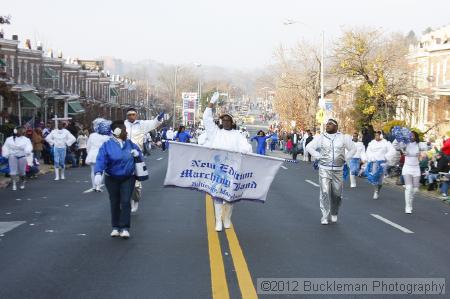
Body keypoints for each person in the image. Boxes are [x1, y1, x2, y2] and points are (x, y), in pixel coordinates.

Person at [203, 92, 252, 232]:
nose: (225, 122)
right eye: (223, 120)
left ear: (232, 122)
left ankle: (227, 218)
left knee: (230, 195)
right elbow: (206, 119)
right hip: (218, 169)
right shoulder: (215, 133)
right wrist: (211, 103)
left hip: (233, 168)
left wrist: (246, 150)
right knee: (217, 194)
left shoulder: (238, 135)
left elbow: (246, 146)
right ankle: (218, 220)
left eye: (228, 120)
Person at [94, 120, 143, 239]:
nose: (125, 131)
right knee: (115, 202)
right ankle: (116, 227)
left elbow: (140, 156)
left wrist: (138, 154)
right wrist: (98, 173)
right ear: (116, 131)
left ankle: (125, 228)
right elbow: (101, 159)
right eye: (123, 129)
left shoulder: (130, 144)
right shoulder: (107, 145)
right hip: (112, 178)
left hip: (128, 177)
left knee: (126, 201)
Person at [306, 119, 356, 225]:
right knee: (324, 192)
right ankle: (324, 216)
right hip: (324, 169)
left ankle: (334, 212)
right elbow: (309, 147)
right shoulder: (321, 137)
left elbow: (353, 149)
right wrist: (319, 156)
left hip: (338, 170)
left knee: (337, 194)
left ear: (336, 127)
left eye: (330, 124)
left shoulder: (343, 137)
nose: (327, 126)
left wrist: (346, 158)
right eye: (327, 124)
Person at [124, 108, 164, 212]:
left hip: (137, 157)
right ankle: (129, 201)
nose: (131, 116)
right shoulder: (123, 125)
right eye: (129, 115)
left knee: (137, 182)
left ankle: (136, 201)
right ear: (127, 116)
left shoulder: (142, 124)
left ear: (136, 115)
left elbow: (153, 124)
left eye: (133, 114)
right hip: (124, 156)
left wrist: (158, 119)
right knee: (124, 180)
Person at [393, 131, 431, 213]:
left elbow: (428, 147)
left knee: (416, 189)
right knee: (409, 188)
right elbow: (395, 146)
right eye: (409, 135)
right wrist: (398, 138)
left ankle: (410, 202)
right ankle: (407, 207)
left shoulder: (419, 144)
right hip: (407, 167)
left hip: (416, 168)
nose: (411, 137)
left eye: (412, 135)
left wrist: (429, 143)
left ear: (416, 136)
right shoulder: (404, 143)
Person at [364, 131, 396, 199]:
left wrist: (386, 157)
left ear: (381, 136)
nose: (376, 137)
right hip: (374, 162)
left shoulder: (386, 143)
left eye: (378, 135)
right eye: (375, 135)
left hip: (382, 163)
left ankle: (378, 190)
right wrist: (370, 158)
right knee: (374, 176)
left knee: (380, 179)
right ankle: (375, 191)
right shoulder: (372, 143)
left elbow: (392, 151)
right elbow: (368, 151)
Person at [86, 118, 111, 191]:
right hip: (102, 155)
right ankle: (98, 186)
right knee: (101, 171)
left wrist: (89, 153)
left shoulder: (92, 135)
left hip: (92, 154)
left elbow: (88, 146)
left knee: (93, 171)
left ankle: (94, 186)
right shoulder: (107, 136)